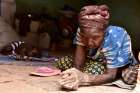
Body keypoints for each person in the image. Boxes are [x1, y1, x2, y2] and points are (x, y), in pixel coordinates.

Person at [56, 4, 139, 90]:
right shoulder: (82, 30)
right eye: (85, 37)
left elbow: (111, 75)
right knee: (62, 62)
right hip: (96, 60)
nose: (89, 42)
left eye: (95, 38)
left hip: (114, 68)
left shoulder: (115, 35)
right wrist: (74, 74)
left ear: (104, 31)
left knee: (95, 70)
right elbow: (77, 66)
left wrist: (83, 78)